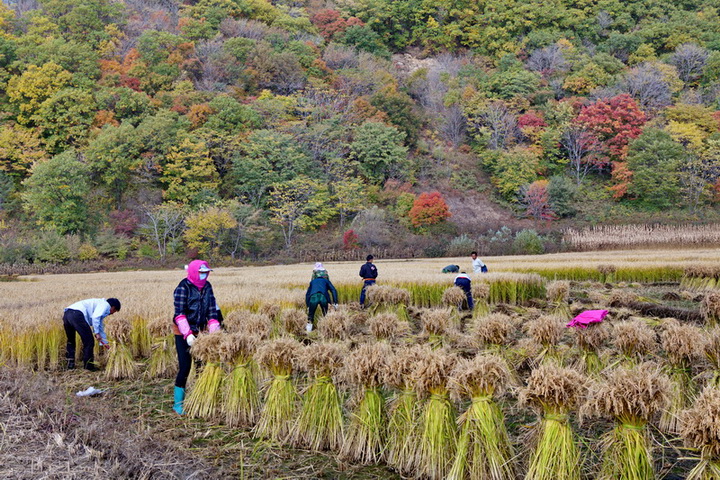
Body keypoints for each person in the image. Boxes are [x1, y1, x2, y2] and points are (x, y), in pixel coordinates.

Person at [172, 260, 222, 415]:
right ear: (193, 272)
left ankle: (200, 397)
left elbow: (212, 311)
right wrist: (187, 334)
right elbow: (179, 314)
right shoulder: (183, 287)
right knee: (185, 367)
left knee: (202, 365)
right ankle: (178, 404)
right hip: (183, 332)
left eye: (206, 272)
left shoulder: (207, 287)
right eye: (201, 272)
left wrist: (215, 334)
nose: (204, 275)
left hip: (201, 332)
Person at [63, 297, 121, 371]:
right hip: (77, 315)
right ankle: (88, 367)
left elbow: (99, 325)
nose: (112, 313)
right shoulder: (105, 305)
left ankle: (70, 364)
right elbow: (95, 317)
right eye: (114, 311)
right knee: (89, 342)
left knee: (71, 340)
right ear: (112, 307)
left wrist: (104, 342)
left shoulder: (100, 305)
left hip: (67, 314)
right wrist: (96, 333)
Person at [305, 264, 339, 332]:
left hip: (313, 297)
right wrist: (335, 302)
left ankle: (309, 332)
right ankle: (326, 329)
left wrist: (308, 305)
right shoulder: (326, 281)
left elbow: (308, 294)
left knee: (311, 315)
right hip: (323, 297)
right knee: (325, 314)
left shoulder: (312, 282)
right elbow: (333, 290)